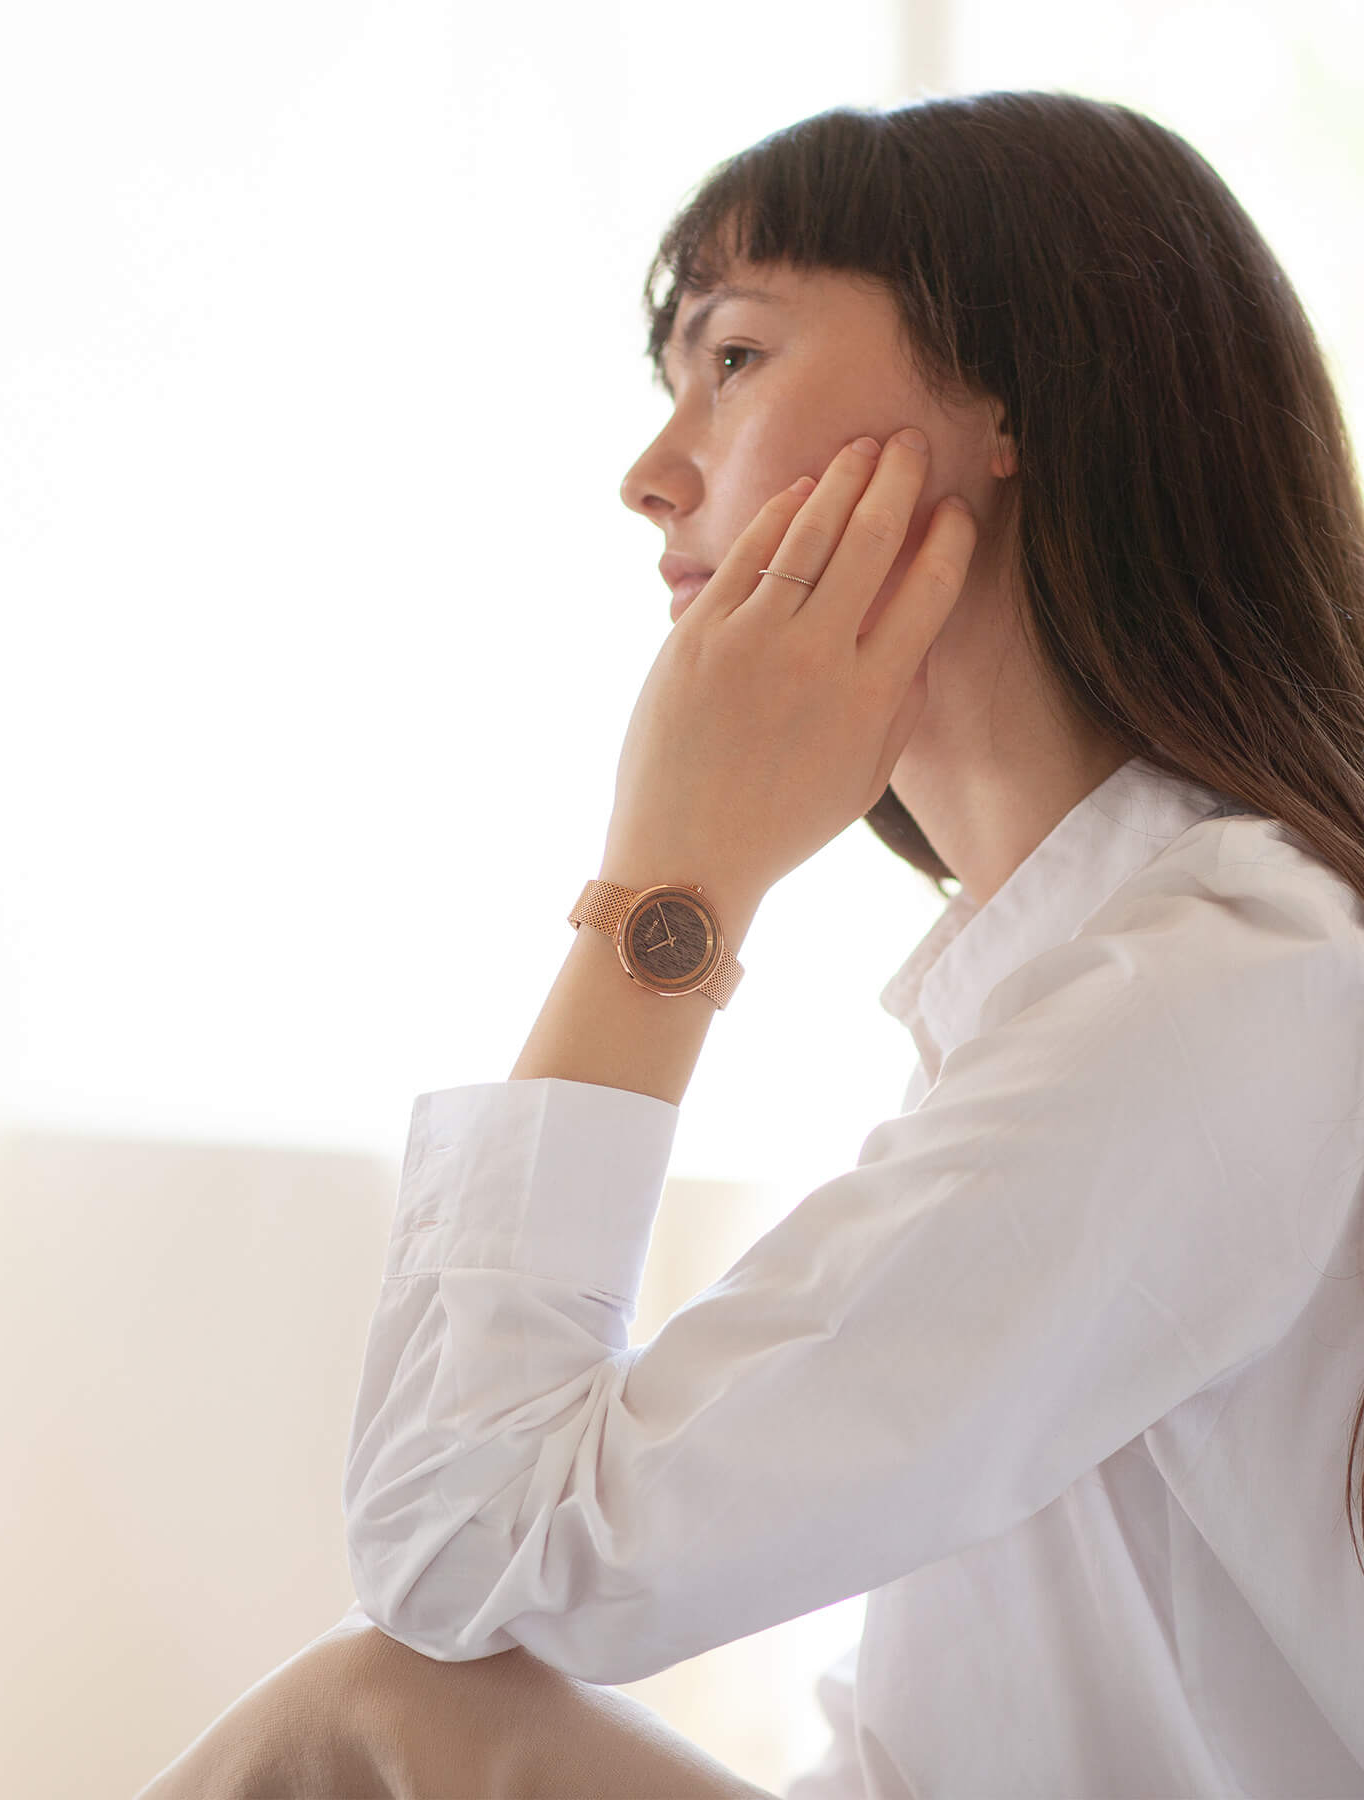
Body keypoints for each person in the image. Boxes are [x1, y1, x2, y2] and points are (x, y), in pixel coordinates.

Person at [137, 88, 1364, 1797]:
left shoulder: (1213, 995)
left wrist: (672, 884)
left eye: (731, 360)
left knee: (378, 1723)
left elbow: (467, 1556)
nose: (652, 477)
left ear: (1010, 400)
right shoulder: (1105, 973)